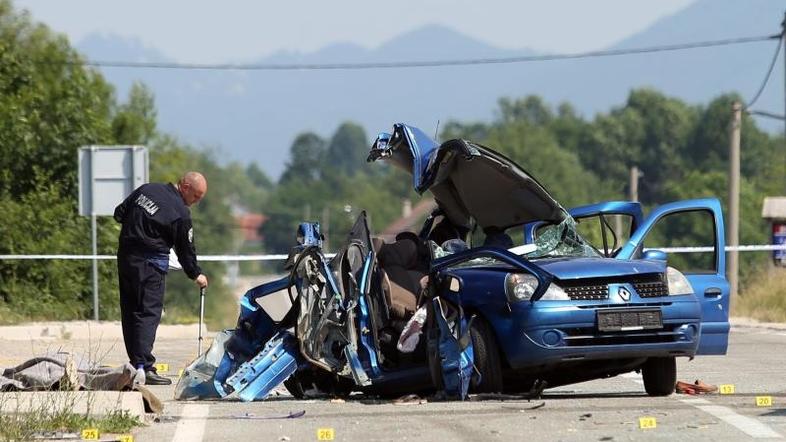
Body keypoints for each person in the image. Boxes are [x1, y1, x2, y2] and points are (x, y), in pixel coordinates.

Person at [113, 171, 209, 385]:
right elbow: (186, 250)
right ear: (185, 186)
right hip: (151, 265)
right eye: (196, 196)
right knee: (148, 313)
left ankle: (136, 364)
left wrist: (136, 227)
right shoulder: (180, 213)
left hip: (126, 258)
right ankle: (144, 367)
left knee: (130, 310)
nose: (196, 202)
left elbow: (119, 213)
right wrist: (196, 274)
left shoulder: (147, 189)